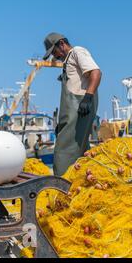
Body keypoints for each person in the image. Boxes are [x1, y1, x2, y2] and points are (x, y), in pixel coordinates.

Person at [43, 33, 102, 176]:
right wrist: (62, 124)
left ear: (62, 44)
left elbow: (96, 73)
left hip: (80, 110)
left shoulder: (77, 52)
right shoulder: (67, 61)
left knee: (63, 152)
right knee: (80, 151)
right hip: (71, 114)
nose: (54, 56)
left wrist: (87, 98)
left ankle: (61, 187)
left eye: (54, 52)